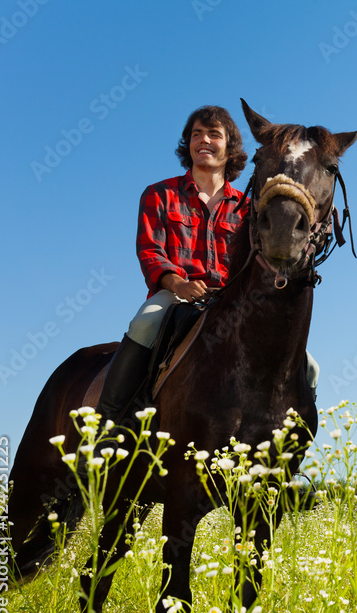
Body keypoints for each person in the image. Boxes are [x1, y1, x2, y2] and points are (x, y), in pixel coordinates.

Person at [97, 106, 321, 430]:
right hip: (177, 297)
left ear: (230, 148)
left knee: (310, 367)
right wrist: (178, 284)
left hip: (235, 303)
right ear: (187, 144)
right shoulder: (160, 194)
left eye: (214, 134)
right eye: (196, 134)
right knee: (144, 324)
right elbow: (150, 251)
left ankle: (290, 444)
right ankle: (109, 426)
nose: (204, 140)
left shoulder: (248, 206)